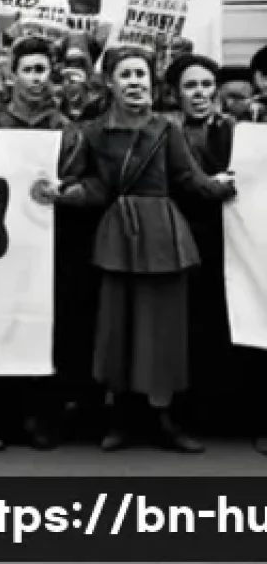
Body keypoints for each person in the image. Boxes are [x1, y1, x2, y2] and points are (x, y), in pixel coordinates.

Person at [34, 46, 237, 453]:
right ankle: (121, 418)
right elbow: (95, 188)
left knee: (164, 332)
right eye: (126, 75)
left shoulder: (168, 130)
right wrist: (63, 194)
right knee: (117, 330)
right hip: (117, 238)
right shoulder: (92, 133)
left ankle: (163, 418)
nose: (135, 82)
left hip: (163, 238)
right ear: (109, 82)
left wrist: (225, 185)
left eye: (141, 74)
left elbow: (189, 181)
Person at [163, 53, 235, 436]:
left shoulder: (234, 129)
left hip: (230, 241)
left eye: (207, 85)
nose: (200, 93)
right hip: (182, 237)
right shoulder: (165, 130)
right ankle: (187, 412)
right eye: (191, 86)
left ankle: (222, 409)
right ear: (176, 93)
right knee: (187, 326)